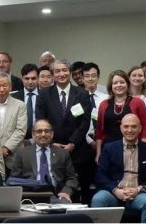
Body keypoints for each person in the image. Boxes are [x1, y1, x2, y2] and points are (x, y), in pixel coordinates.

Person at [35, 59, 93, 202]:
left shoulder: (82, 93)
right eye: (57, 71)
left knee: (80, 191)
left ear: (70, 72)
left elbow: (85, 123)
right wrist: (52, 142)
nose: (62, 74)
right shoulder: (44, 94)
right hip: (51, 148)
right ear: (53, 74)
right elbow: (41, 120)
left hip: (77, 150)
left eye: (65, 70)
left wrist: (72, 143)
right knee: (56, 189)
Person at [91, 114, 146, 223]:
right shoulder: (109, 148)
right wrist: (115, 190)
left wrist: (138, 190)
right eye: (126, 126)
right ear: (121, 128)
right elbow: (100, 175)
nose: (130, 130)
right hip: (113, 192)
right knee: (98, 199)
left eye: (133, 126)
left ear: (140, 128)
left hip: (138, 194)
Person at [9, 119, 78, 202]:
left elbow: (72, 178)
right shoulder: (23, 153)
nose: (43, 134)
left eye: (46, 131)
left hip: (57, 195)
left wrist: (66, 192)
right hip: (29, 196)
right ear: (33, 135)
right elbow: (14, 179)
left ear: (52, 134)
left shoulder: (62, 153)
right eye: (39, 131)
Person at [96, 70, 146, 160]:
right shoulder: (103, 104)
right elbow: (99, 132)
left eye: (122, 82)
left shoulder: (138, 103)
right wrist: (98, 153)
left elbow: (145, 128)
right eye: (115, 83)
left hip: (133, 148)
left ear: (128, 84)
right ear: (111, 86)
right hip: (108, 149)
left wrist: (143, 150)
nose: (119, 85)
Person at [81, 63, 108, 150]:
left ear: (98, 78)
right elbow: (76, 124)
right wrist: (90, 141)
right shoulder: (77, 100)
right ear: (82, 79)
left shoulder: (107, 99)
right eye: (87, 76)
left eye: (93, 76)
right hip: (84, 142)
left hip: (105, 141)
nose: (90, 79)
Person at [11, 64, 39, 145]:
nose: (30, 81)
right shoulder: (13, 97)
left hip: (40, 140)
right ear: (22, 79)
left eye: (33, 78)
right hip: (18, 142)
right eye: (27, 78)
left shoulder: (45, 97)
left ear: (38, 78)